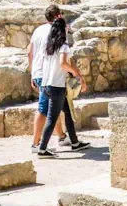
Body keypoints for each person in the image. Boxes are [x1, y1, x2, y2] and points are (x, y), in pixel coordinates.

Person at [36, 15, 90, 157]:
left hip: (47, 85)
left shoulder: (49, 46)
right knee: (52, 119)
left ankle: (75, 143)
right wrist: (77, 75)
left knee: (67, 111)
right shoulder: (64, 46)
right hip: (57, 87)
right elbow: (63, 63)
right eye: (66, 26)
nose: (68, 28)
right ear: (63, 29)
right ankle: (42, 149)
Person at [29, 4, 68, 151]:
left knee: (53, 108)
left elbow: (29, 52)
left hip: (38, 72)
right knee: (43, 109)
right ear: (58, 16)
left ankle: (62, 137)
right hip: (48, 74)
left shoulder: (38, 30)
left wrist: (32, 73)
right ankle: (35, 144)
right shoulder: (54, 31)